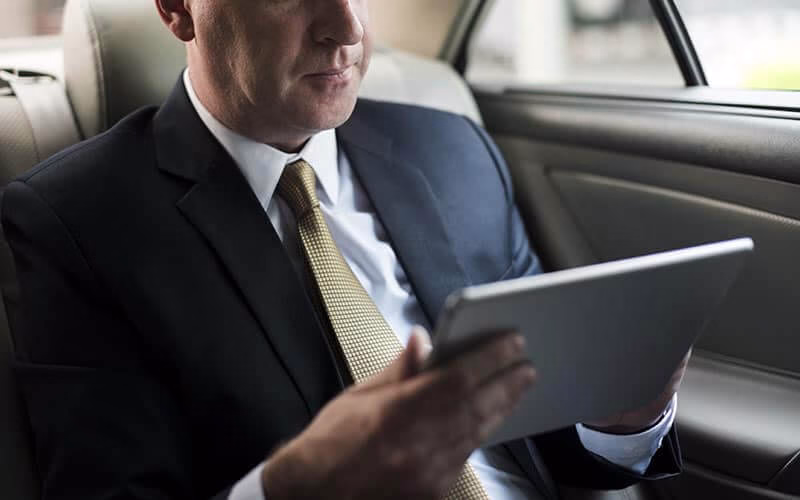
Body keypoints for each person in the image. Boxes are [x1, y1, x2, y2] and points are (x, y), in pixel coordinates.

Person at [2, 0, 685, 498]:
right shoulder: (76, 224)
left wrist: (624, 418)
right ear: (179, 9)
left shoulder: (454, 151)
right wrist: (298, 486)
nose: (348, 28)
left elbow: (543, 433)